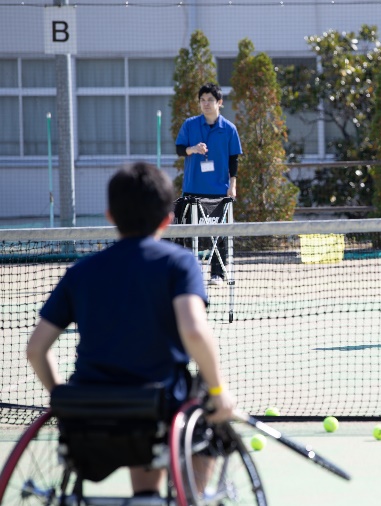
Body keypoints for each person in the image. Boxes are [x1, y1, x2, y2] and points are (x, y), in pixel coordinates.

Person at [26, 161, 236, 497]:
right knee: (211, 419)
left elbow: (36, 349)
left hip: (89, 413)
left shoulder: (81, 272)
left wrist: (62, 398)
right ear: (168, 219)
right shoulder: (179, 263)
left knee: (141, 425)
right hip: (158, 409)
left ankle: (147, 496)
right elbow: (194, 332)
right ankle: (189, 495)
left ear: (110, 215)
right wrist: (217, 391)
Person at [176, 82, 243, 286]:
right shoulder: (190, 124)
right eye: (202, 100)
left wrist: (232, 185)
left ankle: (217, 273)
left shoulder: (229, 129)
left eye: (210, 100)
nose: (206, 104)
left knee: (219, 234)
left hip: (218, 191)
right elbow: (180, 149)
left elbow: (234, 159)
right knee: (186, 234)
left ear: (219, 103)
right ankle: (187, 273)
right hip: (192, 189)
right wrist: (193, 149)